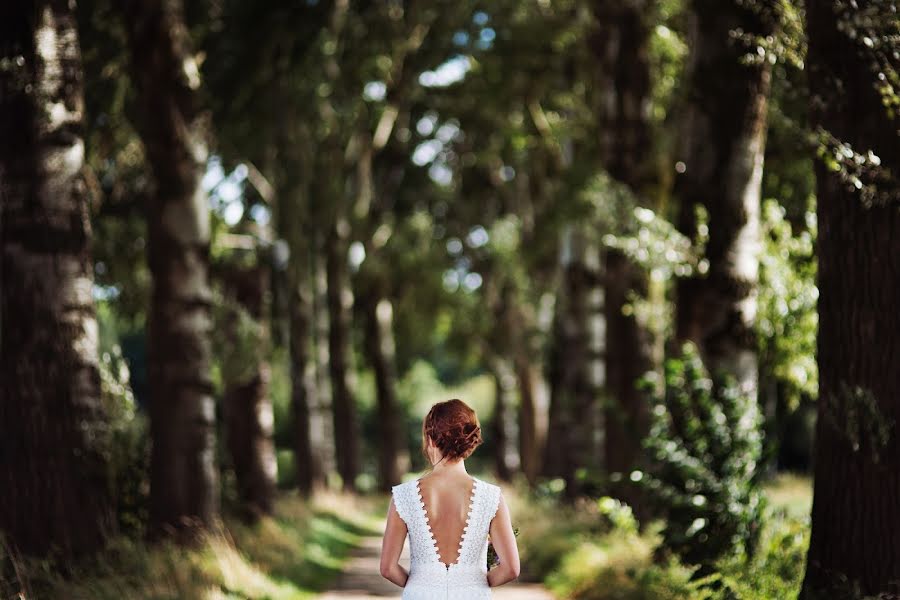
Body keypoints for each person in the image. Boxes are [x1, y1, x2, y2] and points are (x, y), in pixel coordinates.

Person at [380, 399, 521, 599]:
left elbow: (387, 568)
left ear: (430, 439)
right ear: (468, 443)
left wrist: (418, 584)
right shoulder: (492, 497)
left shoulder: (404, 496)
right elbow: (511, 569)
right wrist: (477, 583)